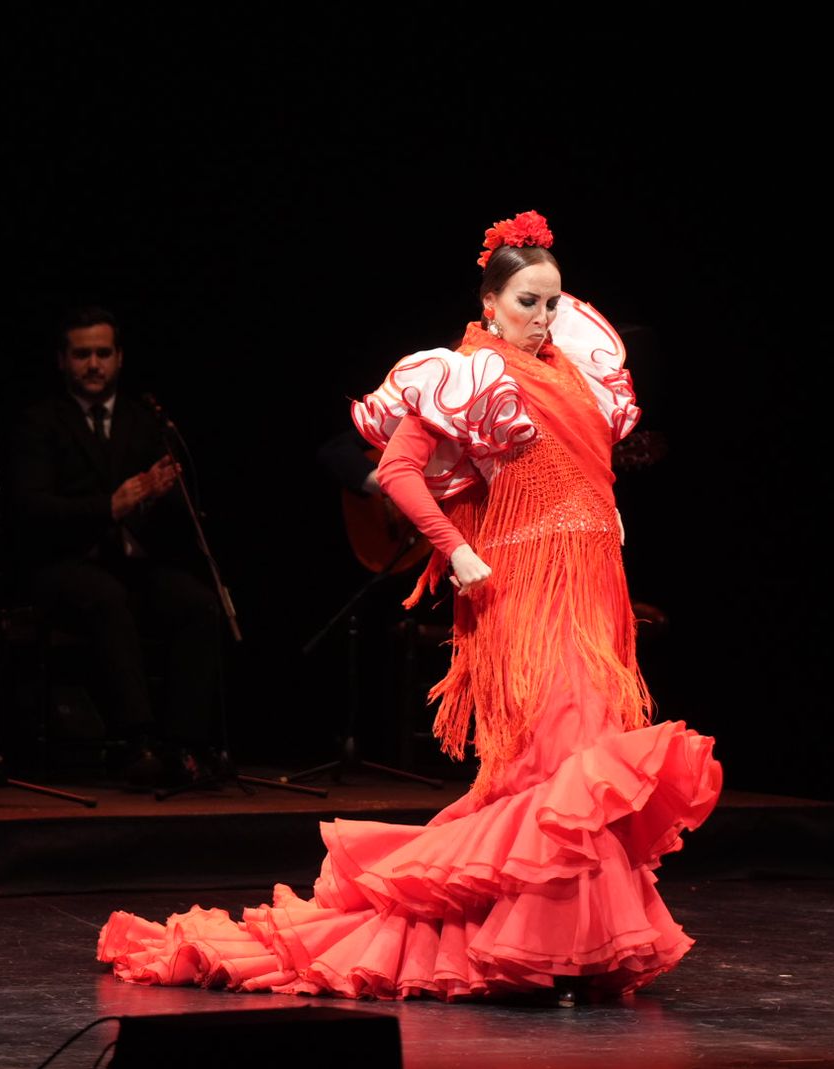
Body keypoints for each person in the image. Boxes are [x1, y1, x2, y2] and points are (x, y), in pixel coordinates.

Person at [97, 210, 723, 1003]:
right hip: (525, 590)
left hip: (595, 584)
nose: (542, 317)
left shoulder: (578, 366)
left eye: (552, 302)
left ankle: (577, 947)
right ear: (490, 303)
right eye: (527, 302)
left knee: (580, 754)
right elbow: (395, 470)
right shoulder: (467, 372)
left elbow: (588, 466)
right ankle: (552, 948)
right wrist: (455, 548)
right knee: (569, 758)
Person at [10, 307, 224, 789]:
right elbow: (32, 510)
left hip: (133, 564)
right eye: (82, 354)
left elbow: (176, 512)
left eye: (102, 353)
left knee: (197, 604)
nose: (93, 364)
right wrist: (111, 504)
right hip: (65, 563)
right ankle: (137, 741)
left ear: (119, 358)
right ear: (62, 360)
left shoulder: (143, 417)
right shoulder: (40, 422)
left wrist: (161, 495)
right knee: (105, 599)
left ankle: (184, 744)